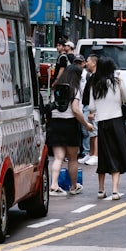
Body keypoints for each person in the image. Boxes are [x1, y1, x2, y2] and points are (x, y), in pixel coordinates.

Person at [84, 57, 126, 200]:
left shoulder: (95, 84)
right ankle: (115, 191)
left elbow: (91, 107)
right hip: (116, 121)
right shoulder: (117, 83)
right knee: (116, 154)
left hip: (102, 122)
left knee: (104, 155)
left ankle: (101, 190)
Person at [46, 63, 93, 196]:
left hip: (55, 124)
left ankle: (54, 185)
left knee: (58, 157)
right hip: (70, 125)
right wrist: (86, 125)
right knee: (72, 159)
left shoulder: (56, 89)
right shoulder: (74, 89)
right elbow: (76, 110)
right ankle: (73, 186)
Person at [80, 53, 99, 166]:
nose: (86, 63)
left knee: (94, 132)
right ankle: (90, 154)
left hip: (91, 107)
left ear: (94, 63)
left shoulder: (96, 77)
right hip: (87, 106)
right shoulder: (92, 76)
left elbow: (95, 95)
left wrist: (93, 111)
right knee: (89, 131)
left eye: (88, 61)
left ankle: (95, 155)